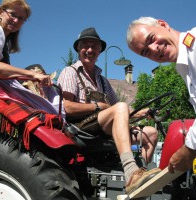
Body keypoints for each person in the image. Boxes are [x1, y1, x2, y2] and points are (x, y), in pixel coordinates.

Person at [57, 27, 161, 193]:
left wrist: (141, 111)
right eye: (85, 45)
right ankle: (130, 170)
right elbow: (66, 107)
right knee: (120, 108)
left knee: (151, 133)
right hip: (80, 129)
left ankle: (141, 178)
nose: (90, 50)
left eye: (94, 46)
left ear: (99, 51)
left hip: (104, 126)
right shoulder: (70, 72)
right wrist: (98, 106)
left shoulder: (103, 80)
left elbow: (120, 108)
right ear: (78, 49)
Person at [126, 17, 196, 173]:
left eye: (152, 38)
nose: (154, 49)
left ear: (163, 24)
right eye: (146, 52)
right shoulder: (186, 66)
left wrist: (190, 149)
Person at [0, 0, 61, 116]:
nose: (16, 20)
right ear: (0, 12)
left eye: (21, 18)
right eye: (12, 14)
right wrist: (33, 74)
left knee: (46, 106)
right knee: (40, 111)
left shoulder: (4, 38)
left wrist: (35, 78)